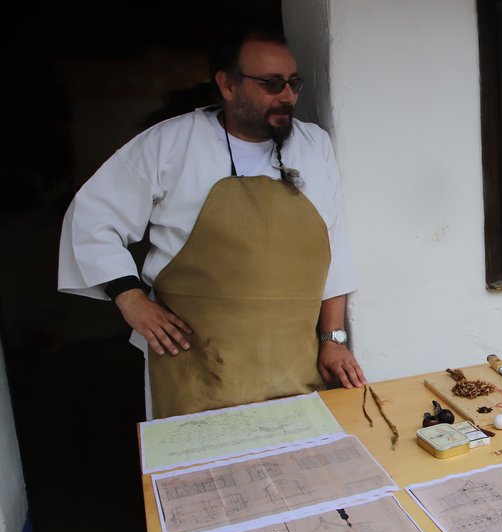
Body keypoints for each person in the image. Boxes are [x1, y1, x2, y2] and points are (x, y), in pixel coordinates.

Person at [58, 26, 366, 420]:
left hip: (295, 362)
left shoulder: (314, 145)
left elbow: (333, 246)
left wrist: (333, 338)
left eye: (293, 83)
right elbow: (93, 217)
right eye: (271, 84)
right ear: (227, 84)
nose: (287, 96)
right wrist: (130, 298)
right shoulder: (169, 144)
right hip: (196, 363)